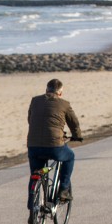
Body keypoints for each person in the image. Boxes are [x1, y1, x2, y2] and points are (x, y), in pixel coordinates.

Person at [26, 78, 83, 211]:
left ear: (46, 90)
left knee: (35, 173)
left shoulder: (35, 101)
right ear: (60, 93)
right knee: (69, 156)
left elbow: (30, 119)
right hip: (54, 146)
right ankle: (63, 189)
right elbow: (74, 123)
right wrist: (77, 135)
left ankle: (32, 205)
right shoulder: (64, 104)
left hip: (33, 145)